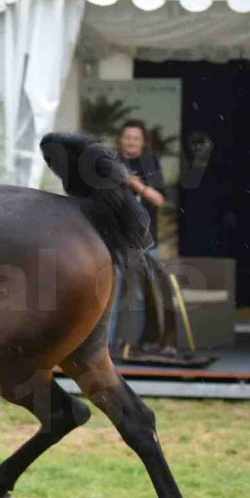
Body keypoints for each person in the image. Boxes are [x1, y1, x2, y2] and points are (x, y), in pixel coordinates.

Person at [109, 119, 167, 349]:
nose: (131, 142)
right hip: (113, 240)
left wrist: (136, 185)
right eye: (127, 137)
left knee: (143, 295)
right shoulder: (111, 164)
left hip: (144, 242)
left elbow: (159, 200)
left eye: (136, 138)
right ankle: (107, 346)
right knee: (111, 295)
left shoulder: (151, 165)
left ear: (143, 143)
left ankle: (138, 345)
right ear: (120, 140)